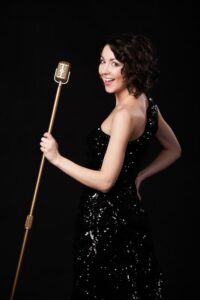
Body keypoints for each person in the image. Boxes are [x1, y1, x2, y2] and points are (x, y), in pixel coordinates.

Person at [40, 33, 181, 299]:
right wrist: (139, 177)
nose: (104, 70)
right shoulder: (147, 104)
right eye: (102, 61)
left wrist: (57, 158)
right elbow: (175, 149)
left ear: (133, 65)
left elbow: (105, 181)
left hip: (104, 222)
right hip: (131, 216)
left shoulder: (124, 115)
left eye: (114, 63)